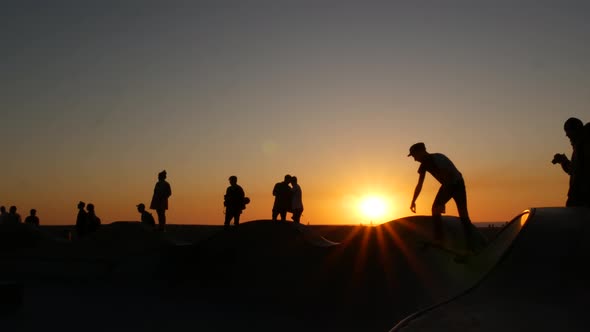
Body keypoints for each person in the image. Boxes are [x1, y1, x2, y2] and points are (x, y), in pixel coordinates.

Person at [407, 142, 473, 241]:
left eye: (414, 156)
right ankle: (440, 238)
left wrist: (442, 201)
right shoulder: (424, 165)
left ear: (421, 152)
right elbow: (419, 185)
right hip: (448, 185)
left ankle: (468, 242)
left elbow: (450, 176)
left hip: (457, 184)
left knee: (462, 214)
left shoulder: (437, 158)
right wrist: (413, 200)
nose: (415, 159)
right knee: (436, 209)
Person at [552, 117, 588, 207]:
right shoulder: (581, 144)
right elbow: (576, 169)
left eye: (567, 131)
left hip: (582, 198)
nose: (566, 135)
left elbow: (576, 170)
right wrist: (563, 161)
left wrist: (563, 161)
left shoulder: (583, 146)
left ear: (575, 130)